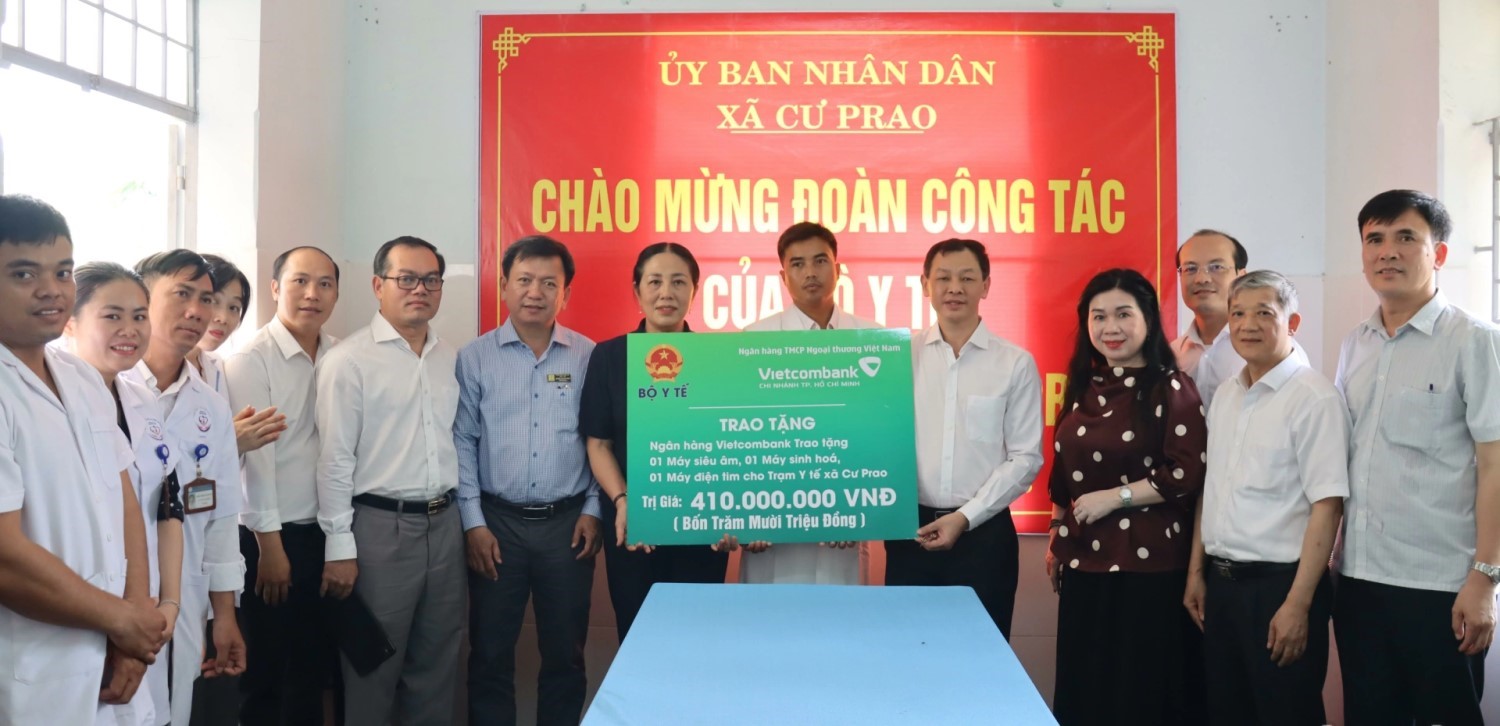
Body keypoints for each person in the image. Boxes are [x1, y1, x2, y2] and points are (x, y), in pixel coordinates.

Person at [1333, 190, 1500, 726]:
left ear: (1439, 253)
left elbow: (1495, 466)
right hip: (1358, 581)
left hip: (1440, 587)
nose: (1388, 251)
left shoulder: (1476, 341)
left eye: (1406, 237)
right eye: (1375, 239)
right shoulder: (1355, 345)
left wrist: (1485, 579)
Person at [0, 195, 167, 725]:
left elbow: (124, 500)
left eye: (62, 271)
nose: (51, 289)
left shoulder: (80, 378)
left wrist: (134, 616)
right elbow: (4, 554)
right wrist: (120, 620)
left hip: (116, 655)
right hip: (33, 667)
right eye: (23, 273)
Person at [1183, 271, 1346, 726]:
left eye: (1263, 313)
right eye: (1237, 313)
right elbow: (1211, 488)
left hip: (1281, 588)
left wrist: (1298, 604)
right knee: (1226, 712)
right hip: (1222, 587)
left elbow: (1328, 506)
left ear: (1292, 323)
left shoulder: (1314, 398)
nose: (1247, 324)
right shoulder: (1226, 395)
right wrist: (1196, 573)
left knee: (1285, 712)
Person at [1047, 268, 1207, 726]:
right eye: (1098, 317)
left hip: (1149, 566)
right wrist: (1057, 530)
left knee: (1137, 690)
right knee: (1087, 685)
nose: (1110, 328)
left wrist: (1115, 497)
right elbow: (1064, 470)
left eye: (1123, 314)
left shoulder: (1171, 386)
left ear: (1148, 320)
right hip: (1084, 561)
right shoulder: (1083, 385)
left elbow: (1186, 471)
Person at [316, 236, 465, 724]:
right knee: (372, 665)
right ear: (379, 286)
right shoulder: (349, 361)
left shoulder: (448, 357)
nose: (420, 289)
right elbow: (334, 460)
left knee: (438, 663)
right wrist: (340, 547)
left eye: (431, 280)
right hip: (380, 529)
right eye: (406, 279)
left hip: (445, 525)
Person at [456, 236, 601, 725]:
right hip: (496, 526)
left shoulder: (587, 356)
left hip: (569, 526)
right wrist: (473, 523)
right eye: (523, 280)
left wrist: (593, 509)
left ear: (566, 293)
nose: (535, 292)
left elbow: (601, 440)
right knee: (490, 654)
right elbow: (463, 441)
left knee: (566, 654)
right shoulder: (474, 358)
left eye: (548, 283)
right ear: (503, 285)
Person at [887, 238, 1042, 638]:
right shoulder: (897, 359)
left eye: (967, 278)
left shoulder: (1015, 363)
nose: (954, 288)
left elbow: (1026, 458)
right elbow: (877, 439)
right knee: (909, 650)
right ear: (925, 285)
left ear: (986, 286)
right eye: (943, 278)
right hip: (910, 535)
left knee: (982, 653)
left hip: (984, 537)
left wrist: (965, 516)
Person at [122, 249, 248, 725]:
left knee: (174, 712)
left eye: (207, 299)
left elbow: (221, 521)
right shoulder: (105, 388)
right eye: (182, 295)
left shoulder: (211, 406)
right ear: (143, 298)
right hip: (115, 596)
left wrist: (225, 615)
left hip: (187, 599)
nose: (199, 312)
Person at [581, 242, 729, 642]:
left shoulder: (719, 358)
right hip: (634, 527)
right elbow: (598, 444)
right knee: (638, 640)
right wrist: (623, 500)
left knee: (698, 643)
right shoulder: (610, 357)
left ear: (694, 291)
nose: (667, 293)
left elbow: (731, 443)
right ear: (637, 290)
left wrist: (731, 514)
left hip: (703, 530)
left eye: (678, 282)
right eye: (655, 282)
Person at [66, 262, 187, 726]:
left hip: (146, 611)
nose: (130, 330)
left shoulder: (142, 400)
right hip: (86, 611)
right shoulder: (57, 405)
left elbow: (168, 505)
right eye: (112, 316)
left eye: (139, 316)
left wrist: (169, 603)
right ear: (70, 321)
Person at [226, 246, 342, 725]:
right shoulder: (251, 358)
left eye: (324, 284)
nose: (312, 294)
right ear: (275, 288)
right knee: (266, 672)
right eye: (300, 281)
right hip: (271, 537)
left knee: (312, 669)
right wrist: (270, 548)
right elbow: (256, 459)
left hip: (323, 532)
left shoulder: (339, 354)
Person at [739, 221, 878, 585]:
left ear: (838, 269)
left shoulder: (873, 339)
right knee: (771, 617)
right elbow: (745, 437)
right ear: (783, 277)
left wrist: (859, 511)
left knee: (842, 617)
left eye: (820, 261)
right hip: (771, 522)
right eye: (797, 264)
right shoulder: (754, 339)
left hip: (845, 518)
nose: (810, 272)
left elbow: (878, 434)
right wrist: (750, 514)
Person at [1172, 231, 1306, 409]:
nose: (1202, 279)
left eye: (1216, 267)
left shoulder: (1273, 349)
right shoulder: (1171, 355)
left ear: (1241, 276)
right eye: (1190, 269)